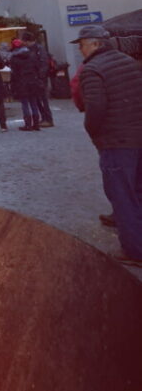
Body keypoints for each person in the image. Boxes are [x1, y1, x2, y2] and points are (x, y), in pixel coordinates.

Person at [74, 24, 142, 267]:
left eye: (81, 45)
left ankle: (135, 251)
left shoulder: (92, 69)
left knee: (122, 196)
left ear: (95, 44)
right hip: (138, 138)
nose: (80, 50)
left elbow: (96, 109)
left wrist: (94, 134)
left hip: (117, 142)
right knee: (138, 191)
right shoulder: (128, 61)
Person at [22, 31, 54, 126]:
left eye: (24, 41)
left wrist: (40, 77)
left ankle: (47, 119)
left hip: (39, 78)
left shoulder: (38, 49)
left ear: (28, 41)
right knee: (38, 99)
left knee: (43, 99)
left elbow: (43, 64)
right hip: (35, 78)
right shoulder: (34, 49)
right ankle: (44, 118)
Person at [9, 38, 41, 132]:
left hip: (22, 82)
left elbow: (14, 73)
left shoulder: (14, 58)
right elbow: (37, 68)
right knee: (33, 103)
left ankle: (28, 124)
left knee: (25, 104)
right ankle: (36, 124)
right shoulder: (31, 55)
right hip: (32, 81)